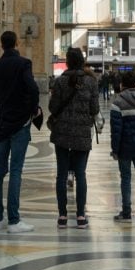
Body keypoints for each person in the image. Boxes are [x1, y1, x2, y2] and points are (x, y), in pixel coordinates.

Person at [0, 30, 40, 234]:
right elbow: (33, 89)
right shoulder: (23, 63)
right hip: (20, 125)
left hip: (1, 126)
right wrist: (32, 111)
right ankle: (14, 220)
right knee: (16, 170)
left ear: (1, 45)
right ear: (16, 43)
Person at [48, 47, 99, 229]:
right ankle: (80, 216)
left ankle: (62, 216)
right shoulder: (91, 82)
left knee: (62, 174)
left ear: (68, 62)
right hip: (82, 133)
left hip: (62, 132)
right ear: (82, 61)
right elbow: (95, 109)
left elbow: (53, 107)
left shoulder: (60, 81)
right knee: (80, 175)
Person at [110, 69, 135, 223]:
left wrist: (115, 149)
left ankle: (126, 212)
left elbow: (116, 130)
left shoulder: (118, 102)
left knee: (125, 178)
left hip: (124, 148)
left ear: (122, 85)